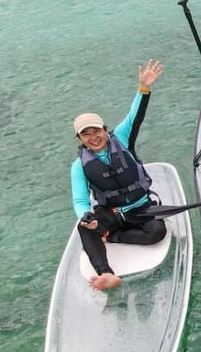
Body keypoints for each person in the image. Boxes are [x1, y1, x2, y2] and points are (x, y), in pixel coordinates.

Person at [71, 59, 167, 291]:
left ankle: (111, 237)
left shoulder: (122, 137)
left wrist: (143, 89)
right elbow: (80, 200)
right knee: (84, 228)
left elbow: (135, 115)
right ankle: (106, 273)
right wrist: (86, 216)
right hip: (110, 213)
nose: (93, 137)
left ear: (105, 129)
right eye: (86, 134)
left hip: (140, 207)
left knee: (157, 231)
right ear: (80, 139)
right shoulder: (78, 166)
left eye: (97, 131)